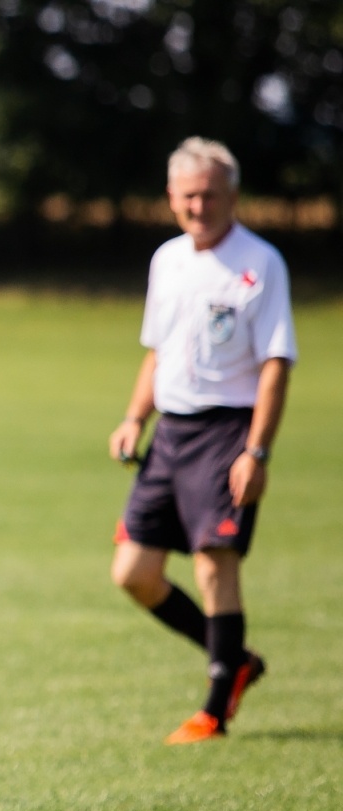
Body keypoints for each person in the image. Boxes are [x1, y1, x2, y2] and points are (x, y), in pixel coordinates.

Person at [108, 137, 296, 745]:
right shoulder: (167, 260)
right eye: (189, 195)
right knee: (133, 572)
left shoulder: (260, 263)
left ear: (232, 196)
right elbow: (158, 352)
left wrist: (257, 450)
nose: (199, 205)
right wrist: (135, 417)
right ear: (171, 197)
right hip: (172, 432)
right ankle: (236, 658)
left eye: (211, 194)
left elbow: (275, 362)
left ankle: (215, 707)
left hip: (227, 431)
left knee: (216, 566)